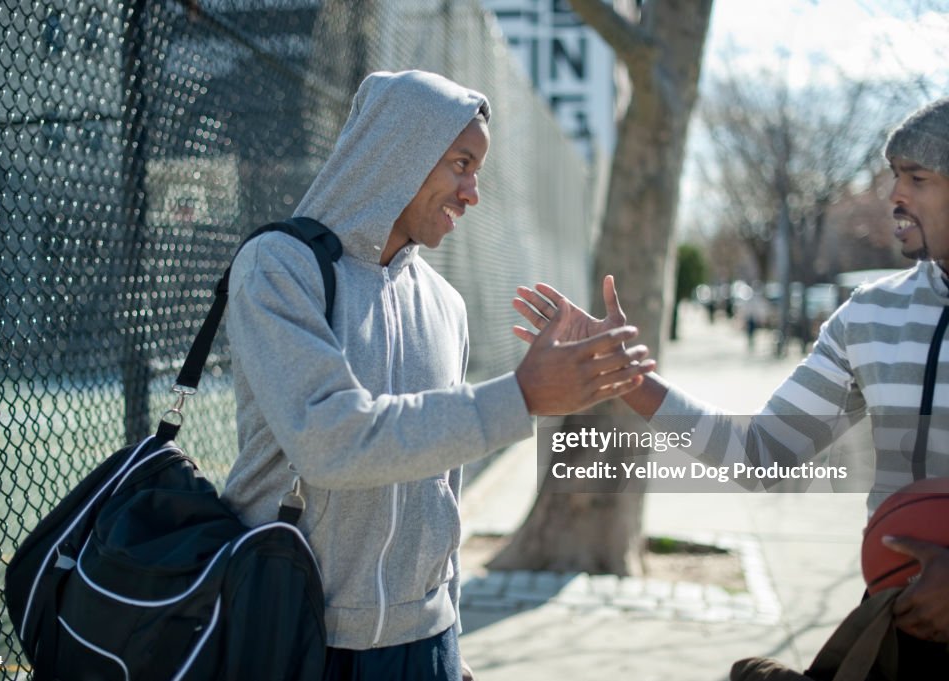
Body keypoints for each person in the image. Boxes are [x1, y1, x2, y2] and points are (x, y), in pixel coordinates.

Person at [221, 70, 654, 681]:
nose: (473, 191)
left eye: (476, 169)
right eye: (460, 163)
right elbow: (330, 442)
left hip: (423, 644)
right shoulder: (279, 266)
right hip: (288, 633)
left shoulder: (446, 305)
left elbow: (439, 492)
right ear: (401, 149)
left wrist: (449, 641)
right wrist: (523, 396)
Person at [513, 97, 949, 677]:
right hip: (894, 631)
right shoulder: (871, 315)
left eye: (917, 179)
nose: (896, 195)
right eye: (895, 177)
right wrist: (628, 379)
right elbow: (761, 454)